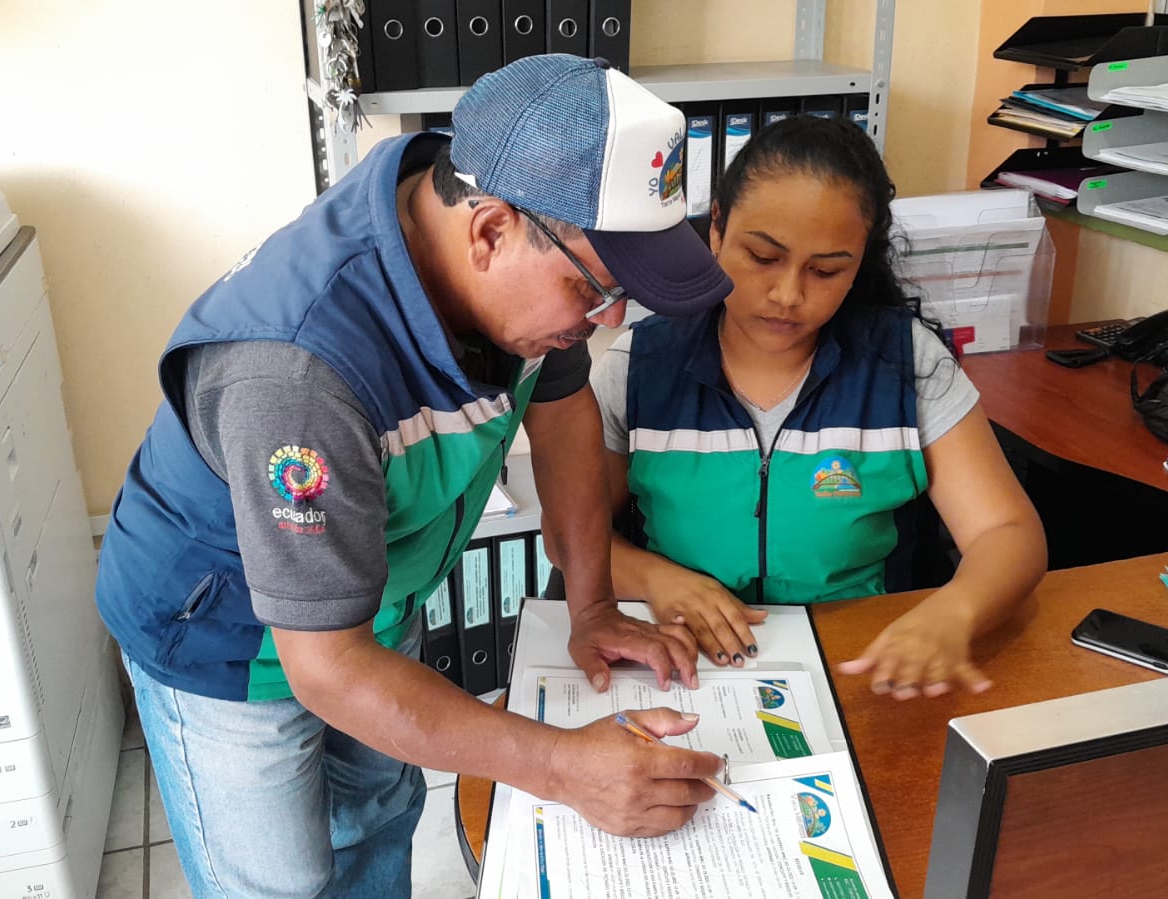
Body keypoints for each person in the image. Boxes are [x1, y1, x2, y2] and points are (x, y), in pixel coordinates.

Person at [94, 55, 735, 898]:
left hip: (371, 596)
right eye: (596, 290)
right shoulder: (299, 374)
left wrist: (592, 606)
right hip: (225, 638)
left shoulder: (520, 254)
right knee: (280, 880)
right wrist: (561, 766)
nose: (606, 319)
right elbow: (329, 667)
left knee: (377, 815)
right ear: (490, 231)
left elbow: (564, 415)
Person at [592, 115, 1047, 701]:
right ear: (717, 230)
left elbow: (1008, 532)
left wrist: (953, 613)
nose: (788, 295)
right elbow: (574, 536)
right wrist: (654, 578)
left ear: (860, 263)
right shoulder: (641, 364)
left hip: (858, 663)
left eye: (827, 270)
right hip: (686, 662)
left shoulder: (904, 362)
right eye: (763, 257)